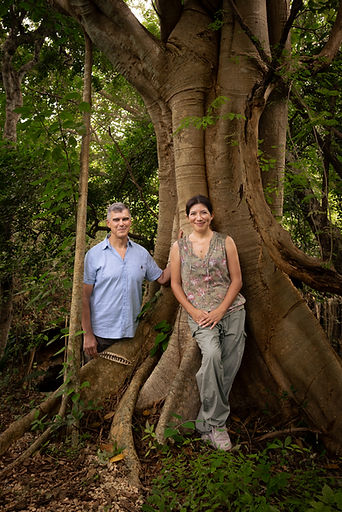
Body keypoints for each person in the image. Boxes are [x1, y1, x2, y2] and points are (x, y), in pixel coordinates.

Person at [170, 194, 246, 451]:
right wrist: (193, 311)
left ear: (211, 215)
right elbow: (175, 284)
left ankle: (205, 425)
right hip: (200, 316)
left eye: (203, 212)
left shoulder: (226, 242)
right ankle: (217, 425)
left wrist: (220, 310)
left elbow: (236, 281)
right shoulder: (178, 247)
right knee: (212, 357)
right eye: (193, 214)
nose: (198, 217)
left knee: (229, 366)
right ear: (188, 217)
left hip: (233, 311)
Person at [82, 202, 170, 359]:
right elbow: (84, 298)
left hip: (132, 334)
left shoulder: (141, 253)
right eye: (116, 220)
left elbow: (163, 278)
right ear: (108, 223)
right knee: (96, 382)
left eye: (125, 219)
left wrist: (179, 250)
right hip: (101, 337)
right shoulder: (94, 255)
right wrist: (88, 335)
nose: (121, 223)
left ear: (130, 221)